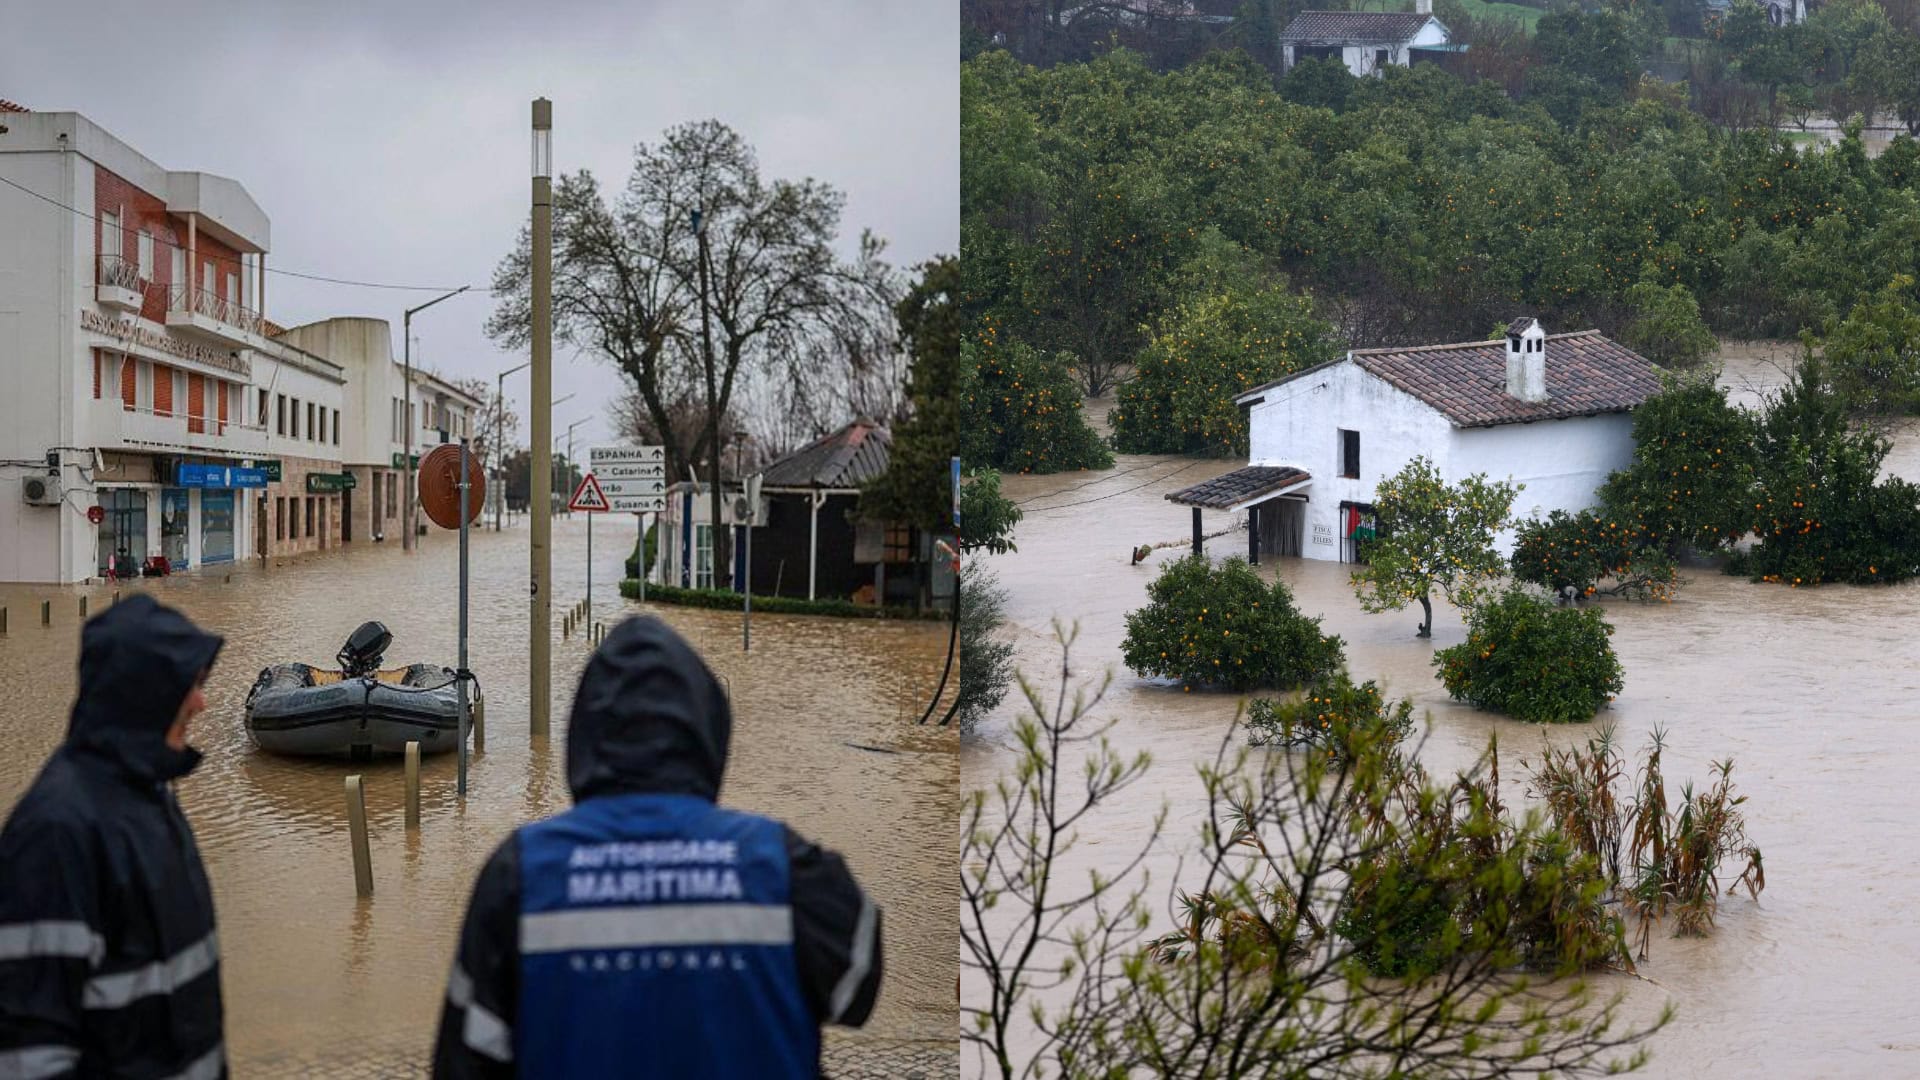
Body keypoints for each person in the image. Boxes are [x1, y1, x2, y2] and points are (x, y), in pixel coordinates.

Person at [434, 617, 882, 1078]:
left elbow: (464, 1063)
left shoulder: (518, 875)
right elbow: (858, 992)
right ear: (710, 730)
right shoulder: (787, 866)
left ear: (584, 735)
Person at [0, 594, 227, 1079]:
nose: (201, 702)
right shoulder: (56, 835)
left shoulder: (152, 796)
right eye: (189, 685)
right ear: (143, 694)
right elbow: (28, 1052)